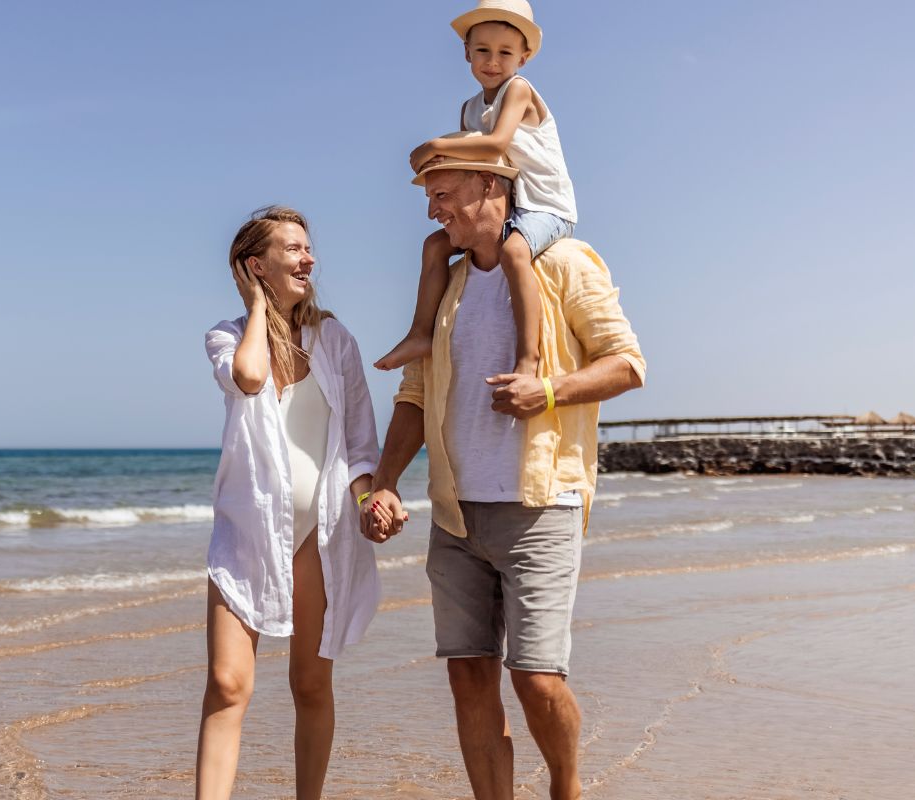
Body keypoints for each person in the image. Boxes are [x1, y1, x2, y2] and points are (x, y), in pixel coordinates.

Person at [366, 152, 645, 800]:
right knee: (467, 677)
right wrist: (385, 480)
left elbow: (628, 364)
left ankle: (566, 789)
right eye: (429, 197)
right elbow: (415, 393)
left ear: (489, 184)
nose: (432, 211)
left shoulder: (564, 262)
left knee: (536, 678)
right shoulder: (448, 283)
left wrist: (545, 391)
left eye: (443, 194)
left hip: (540, 506)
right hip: (454, 516)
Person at [197, 206, 391, 800]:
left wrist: (371, 500)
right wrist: (259, 306)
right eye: (293, 249)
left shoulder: (335, 341)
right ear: (256, 265)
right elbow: (250, 377)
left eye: (309, 248)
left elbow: (360, 445)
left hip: (319, 535)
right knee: (228, 685)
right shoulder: (227, 336)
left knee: (310, 684)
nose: (309, 259)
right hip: (247, 532)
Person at [377, 0, 578, 383]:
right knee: (434, 246)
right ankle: (420, 333)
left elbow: (496, 144)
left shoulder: (518, 90)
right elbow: (475, 169)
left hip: (547, 206)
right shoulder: (469, 108)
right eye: (483, 50)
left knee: (514, 252)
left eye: (505, 53)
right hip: (511, 205)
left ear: (524, 57)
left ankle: (528, 357)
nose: (493, 61)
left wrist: (435, 146)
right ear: (467, 52)